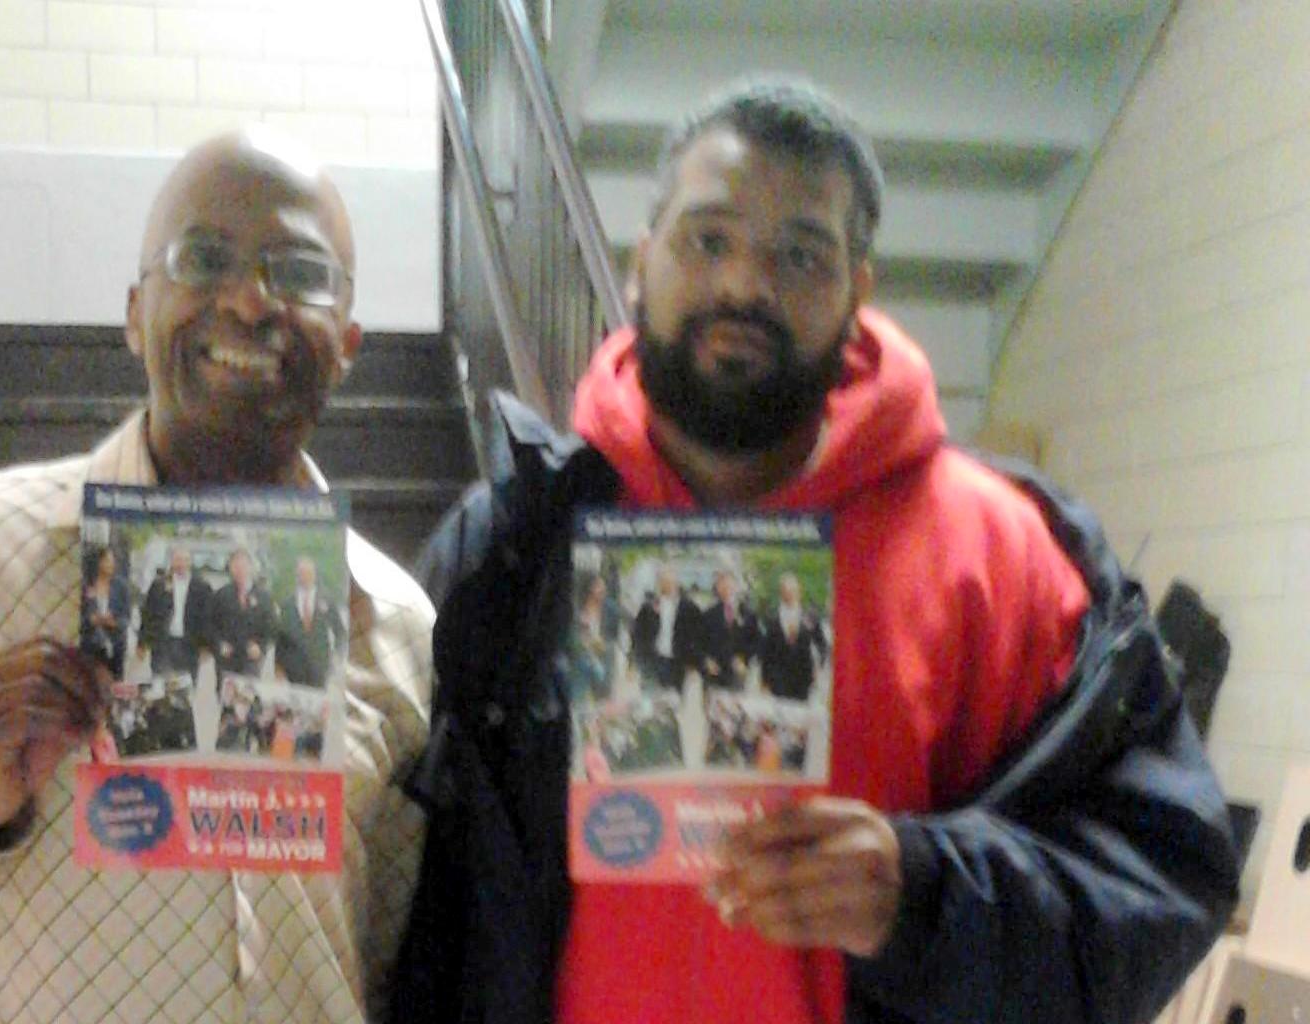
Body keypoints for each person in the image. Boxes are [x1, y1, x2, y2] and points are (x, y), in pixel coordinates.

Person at [394, 80, 1238, 1024]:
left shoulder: (1004, 555)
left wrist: (923, 894)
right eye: (708, 239)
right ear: (642, 263)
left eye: (799, 254)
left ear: (856, 291)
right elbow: (406, 887)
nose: (745, 286)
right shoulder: (516, 539)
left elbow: (1167, 874)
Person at [0, 128, 433, 1024]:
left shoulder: (399, 629)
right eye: (204, 258)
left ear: (348, 341)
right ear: (133, 313)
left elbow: (401, 956)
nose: (249, 300)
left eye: (300, 272)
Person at [136, 545, 213, 677]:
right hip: (163, 644)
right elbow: (147, 614)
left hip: (189, 646)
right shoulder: (158, 585)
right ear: (171, 562)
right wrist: (142, 642)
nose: (181, 564)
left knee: (185, 688)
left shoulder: (202, 587)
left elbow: (207, 618)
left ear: (190, 562)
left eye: (185, 560)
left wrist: (206, 645)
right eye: (177, 559)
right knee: (161, 685)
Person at [273, 555, 346, 687]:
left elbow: (340, 631)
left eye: (308, 573)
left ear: (315, 575)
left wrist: (337, 654)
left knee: (317, 705)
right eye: (301, 573)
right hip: (294, 668)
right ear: (297, 576)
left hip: (319, 667)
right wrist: (278, 666)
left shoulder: (327, 600)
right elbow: (280, 637)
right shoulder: (287, 603)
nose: (305, 577)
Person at [628, 563, 701, 691]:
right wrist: (633, 663)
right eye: (663, 581)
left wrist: (693, 664)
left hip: (677, 663)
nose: (667, 585)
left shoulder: (689, 608)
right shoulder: (648, 607)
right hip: (653, 661)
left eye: (670, 581)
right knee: (650, 701)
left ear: (677, 582)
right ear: (658, 583)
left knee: (672, 703)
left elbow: (696, 637)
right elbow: (637, 635)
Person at [759, 571, 828, 701]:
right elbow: (765, 652)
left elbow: (822, 645)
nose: (789, 594)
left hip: (803, 680)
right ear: (781, 593)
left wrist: (818, 667)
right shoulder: (772, 618)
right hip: (777, 680)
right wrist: (764, 681)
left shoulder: (811, 616)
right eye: (786, 590)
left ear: (799, 592)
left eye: (793, 590)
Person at [209, 546, 275, 679]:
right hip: (227, 658)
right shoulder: (221, 595)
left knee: (247, 696)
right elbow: (210, 624)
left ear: (251, 567)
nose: (240, 570)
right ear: (231, 568)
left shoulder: (264, 597)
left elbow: (271, 627)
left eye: (243, 566)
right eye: (236, 566)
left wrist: (260, 646)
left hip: (251, 659)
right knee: (226, 696)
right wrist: (219, 644)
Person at [699, 568, 761, 689]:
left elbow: (757, 642)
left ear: (736, 587)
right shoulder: (708, 614)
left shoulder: (748, 614)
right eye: (721, 585)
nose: (726, 588)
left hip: (737, 674)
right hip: (713, 673)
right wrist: (706, 660)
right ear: (717, 588)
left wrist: (744, 659)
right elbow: (698, 643)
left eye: (729, 584)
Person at [79, 544, 132, 675]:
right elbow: (79, 615)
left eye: (113, 561)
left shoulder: (121, 587)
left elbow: (126, 617)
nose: (112, 564)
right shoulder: (85, 587)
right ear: (98, 562)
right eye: (107, 560)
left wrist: (113, 622)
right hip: (90, 646)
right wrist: (91, 620)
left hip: (115, 646)